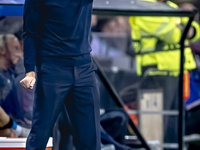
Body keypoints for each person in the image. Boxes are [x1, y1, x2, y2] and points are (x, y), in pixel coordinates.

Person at [20, 0, 101, 150]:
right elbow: (30, 33)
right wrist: (30, 71)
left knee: (91, 141)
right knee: (39, 136)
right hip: (52, 69)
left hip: (84, 68)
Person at [129, 0, 200, 148]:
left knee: (175, 124)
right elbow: (174, 35)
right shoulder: (144, 5)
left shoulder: (170, 6)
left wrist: (185, 26)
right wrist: (185, 26)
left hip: (178, 72)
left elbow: (195, 31)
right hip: (156, 73)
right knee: (154, 128)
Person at [0, 34, 30, 137]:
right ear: (2, 50)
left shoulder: (11, 76)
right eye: (16, 48)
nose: (20, 54)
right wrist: (18, 130)